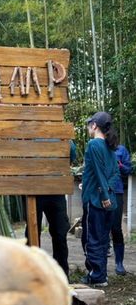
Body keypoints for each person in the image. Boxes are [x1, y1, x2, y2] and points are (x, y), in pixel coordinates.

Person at [26, 141, 76, 279]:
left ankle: (61, 275)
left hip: (56, 189)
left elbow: (71, 154)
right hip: (34, 190)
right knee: (32, 233)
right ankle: (32, 274)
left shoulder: (62, 137)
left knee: (60, 233)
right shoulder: (31, 136)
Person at [81, 111, 120, 286]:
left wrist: (103, 195)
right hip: (109, 200)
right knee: (104, 239)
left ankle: (95, 276)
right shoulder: (111, 148)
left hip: (96, 200)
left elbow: (98, 172)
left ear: (94, 125)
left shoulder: (94, 145)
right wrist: (108, 191)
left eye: (90, 124)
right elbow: (115, 173)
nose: (89, 127)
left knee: (92, 239)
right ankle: (101, 275)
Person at [112, 143, 132, 275]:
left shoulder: (121, 149)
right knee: (100, 228)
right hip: (99, 192)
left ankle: (119, 263)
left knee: (116, 228)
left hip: (116, 192)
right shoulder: (96, 146)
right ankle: (98, 266)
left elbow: (129, 169)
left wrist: (120, 165)